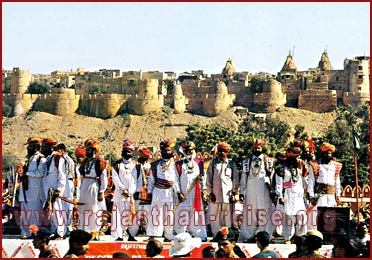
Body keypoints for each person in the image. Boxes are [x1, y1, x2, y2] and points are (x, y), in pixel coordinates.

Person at [146, 139, 182, 242]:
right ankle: (153, 236)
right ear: (161, 151)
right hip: (158, 191)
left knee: (169, 215)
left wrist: (178, 192)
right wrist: (149, 192)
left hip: (170, 193)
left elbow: (175, 181)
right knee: (156, 214)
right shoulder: (155, 165)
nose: (167, 152)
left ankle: (168, 236)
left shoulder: (175, 164)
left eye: (169, 150)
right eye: (165, 150)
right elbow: (152, 180)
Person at [239, 139, 274, 242]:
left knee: (264, 214)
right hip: (251, 191)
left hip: (264, 191)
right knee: (251, 214)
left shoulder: (269, 161)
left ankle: (265, 236)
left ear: (262, 148)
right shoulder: (246, 161)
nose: (257, 150)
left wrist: (273, 191)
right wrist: (241, 192)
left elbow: (271, 176)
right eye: (255, 148)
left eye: (258, 148)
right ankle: (250, 235)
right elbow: (243, 178)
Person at [175, 141, 207, 241]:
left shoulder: (199, 163)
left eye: (191, 150)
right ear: (184, 151)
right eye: (187, 150)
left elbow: (203, 178)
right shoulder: (178, 164)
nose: (189, 152)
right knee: (182, 215)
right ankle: (181, 235)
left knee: (196, 214)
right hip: (183, 195)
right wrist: (178, 192)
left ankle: (199, 235)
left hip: (195, 195)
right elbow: (175, 180)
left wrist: (202, 185)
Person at [275, 146, 308, 244]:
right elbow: (279, 183)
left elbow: (302, 181)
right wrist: (280, 196)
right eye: (294, 158)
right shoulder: (281, 168)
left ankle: (299, 236)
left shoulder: (299, 168)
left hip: (298, 195)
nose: (296, 160)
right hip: (287, 194)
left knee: (301, 217)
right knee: (288, 217)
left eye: (297, 158)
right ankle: (287, 238)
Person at [206, 142, 239, 238]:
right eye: (219, 151)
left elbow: (235, 180)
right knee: (215, 218)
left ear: (227, 152)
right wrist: (210, 192)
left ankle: (227, 237)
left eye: (223, 151)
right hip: (215, 196)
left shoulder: (231, 163)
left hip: (228, 196)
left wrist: (234, 193)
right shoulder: (213, 163)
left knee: (227, 218)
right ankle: (216, 236)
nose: (221, 153)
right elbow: (209, 178)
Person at [307, 142, 342, 231]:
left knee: (330, 217)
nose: (328, 155)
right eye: (326, 153)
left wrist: (338, 195)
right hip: (319, 196)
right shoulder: (315, 165)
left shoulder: (336, 166)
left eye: (330, 153)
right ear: (322, 153)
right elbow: (311, 181)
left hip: (331, 197)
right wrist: (311, 196)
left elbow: (337, 182)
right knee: (316, 217)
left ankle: (328, 237)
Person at [77, 139, 108, 238]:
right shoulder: (85, 162)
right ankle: (83, 231)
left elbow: (104, 178)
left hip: (94, 186)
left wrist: (101, 191)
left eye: (90, 150)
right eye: (87, 149)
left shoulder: (100, 162)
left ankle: (94, 231)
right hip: (84, 185)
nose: (87, 151)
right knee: (83, 209)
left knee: (94, 210)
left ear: (95, 150)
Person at [41, 137, 70, 240]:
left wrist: (59, 189)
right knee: (52, 211)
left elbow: (62, 175)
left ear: (51, 147)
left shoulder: (58, 158)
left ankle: (61, 233)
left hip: (56, 189)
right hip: (48, 190)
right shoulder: (49, 159)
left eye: (44, 147)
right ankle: (55, 231)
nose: (42, 149)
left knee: (58, 210)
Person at [18, 137, 45, 239]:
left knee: (34, 214)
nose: (28, 148)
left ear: (36, 147)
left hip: (34, 191)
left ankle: (34, 233)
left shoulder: (41, 159)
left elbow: (40, 173)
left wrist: (27, 173)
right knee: (24, 213)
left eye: (30, 146)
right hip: (25, 190)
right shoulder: (28, 158)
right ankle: (25, 232)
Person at [110, 139, 137, 241]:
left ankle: (131, 235)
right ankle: (119, 236)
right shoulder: (116, 165)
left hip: (130, 196)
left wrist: (130, 192)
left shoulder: (136, 165)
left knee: (131, 215)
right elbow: (115, 178)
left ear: (132, 152)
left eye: (129, 151)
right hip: (120, 195)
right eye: (125, 150)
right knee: (118, 216)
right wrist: (123, 190)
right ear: (122, 151)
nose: (127, 152)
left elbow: (137, 180)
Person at [129, 145, 153, 238]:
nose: (139, 158)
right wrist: (134, 192)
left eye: (141, 156)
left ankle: (150, 235)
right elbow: (133, 180)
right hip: (138, 194)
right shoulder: (136, 167)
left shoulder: (151, 167)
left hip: (148, 194)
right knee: (136, 214)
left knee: (148, 215)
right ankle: (132, 234)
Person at [57, 143, 75, 237]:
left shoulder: (66, 160)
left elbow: (66, 173)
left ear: (62, 150)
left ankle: (68, 227)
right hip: (66, 182)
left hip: (68, 182)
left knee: (68, 206)